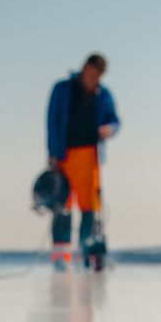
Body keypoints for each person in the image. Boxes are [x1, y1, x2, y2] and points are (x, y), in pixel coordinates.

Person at [46, 54, 119, 269]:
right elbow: (52, 121)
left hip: (90, 157)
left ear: (100, 77)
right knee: (62, 206)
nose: (90, 78)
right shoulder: (62, 89)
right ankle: (61, 257)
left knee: (90, 208)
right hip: (64, 156)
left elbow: (115, 121)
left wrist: (110, 129)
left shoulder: (103, 95)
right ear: (83, 68)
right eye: (88, 72)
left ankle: (85, 253)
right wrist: (52, 153)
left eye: (95, 76)